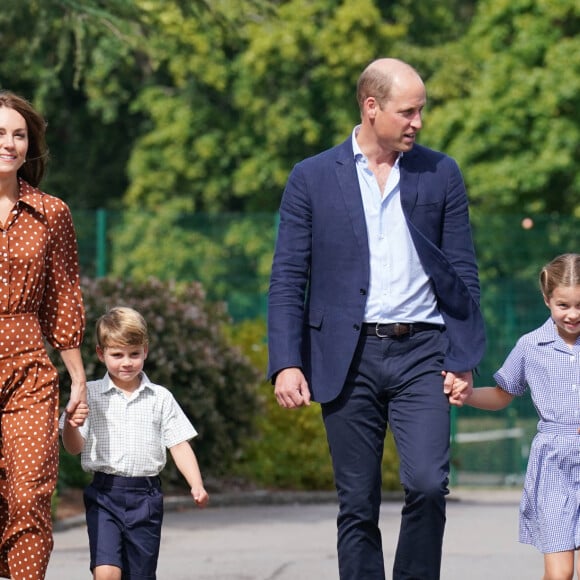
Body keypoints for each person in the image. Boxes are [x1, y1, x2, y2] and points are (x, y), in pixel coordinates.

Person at [267, 57, 485, 580]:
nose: (418, 122)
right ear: (371, 107)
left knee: (429, 484)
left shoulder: (441, 173)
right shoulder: (312, 177)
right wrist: (286, 363)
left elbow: (463, 274)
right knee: (358, 503)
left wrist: (464, 357)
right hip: (346, 356)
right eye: (407, 111)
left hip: (423, 353)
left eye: (421, 111)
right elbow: (288, 277)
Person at [0, 90, 87, 579]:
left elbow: (63, 298)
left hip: (31, 370)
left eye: (18, 135)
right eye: (0, 133)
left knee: (30, 492)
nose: (10, 144)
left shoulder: (51, 213)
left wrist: (76, 379)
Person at [61, 306, 209, 580]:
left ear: (146, 351)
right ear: (100, 353)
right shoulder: (89, 395)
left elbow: (179, 444)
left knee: (140, 575)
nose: (126, 362)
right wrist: (71, 423)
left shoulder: (160, 397)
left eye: (134, 354)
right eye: (117, 355)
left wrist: (196, 484)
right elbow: (74, 447)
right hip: (104, 494)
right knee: (106, 572)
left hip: (146, 498)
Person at [462, 253, 580, 580]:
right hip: (554, 464)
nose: (572, 315)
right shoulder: (530, 345)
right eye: (563, 305)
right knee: (560, 574)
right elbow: (503, 394)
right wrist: (467, 394)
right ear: (547, 300)